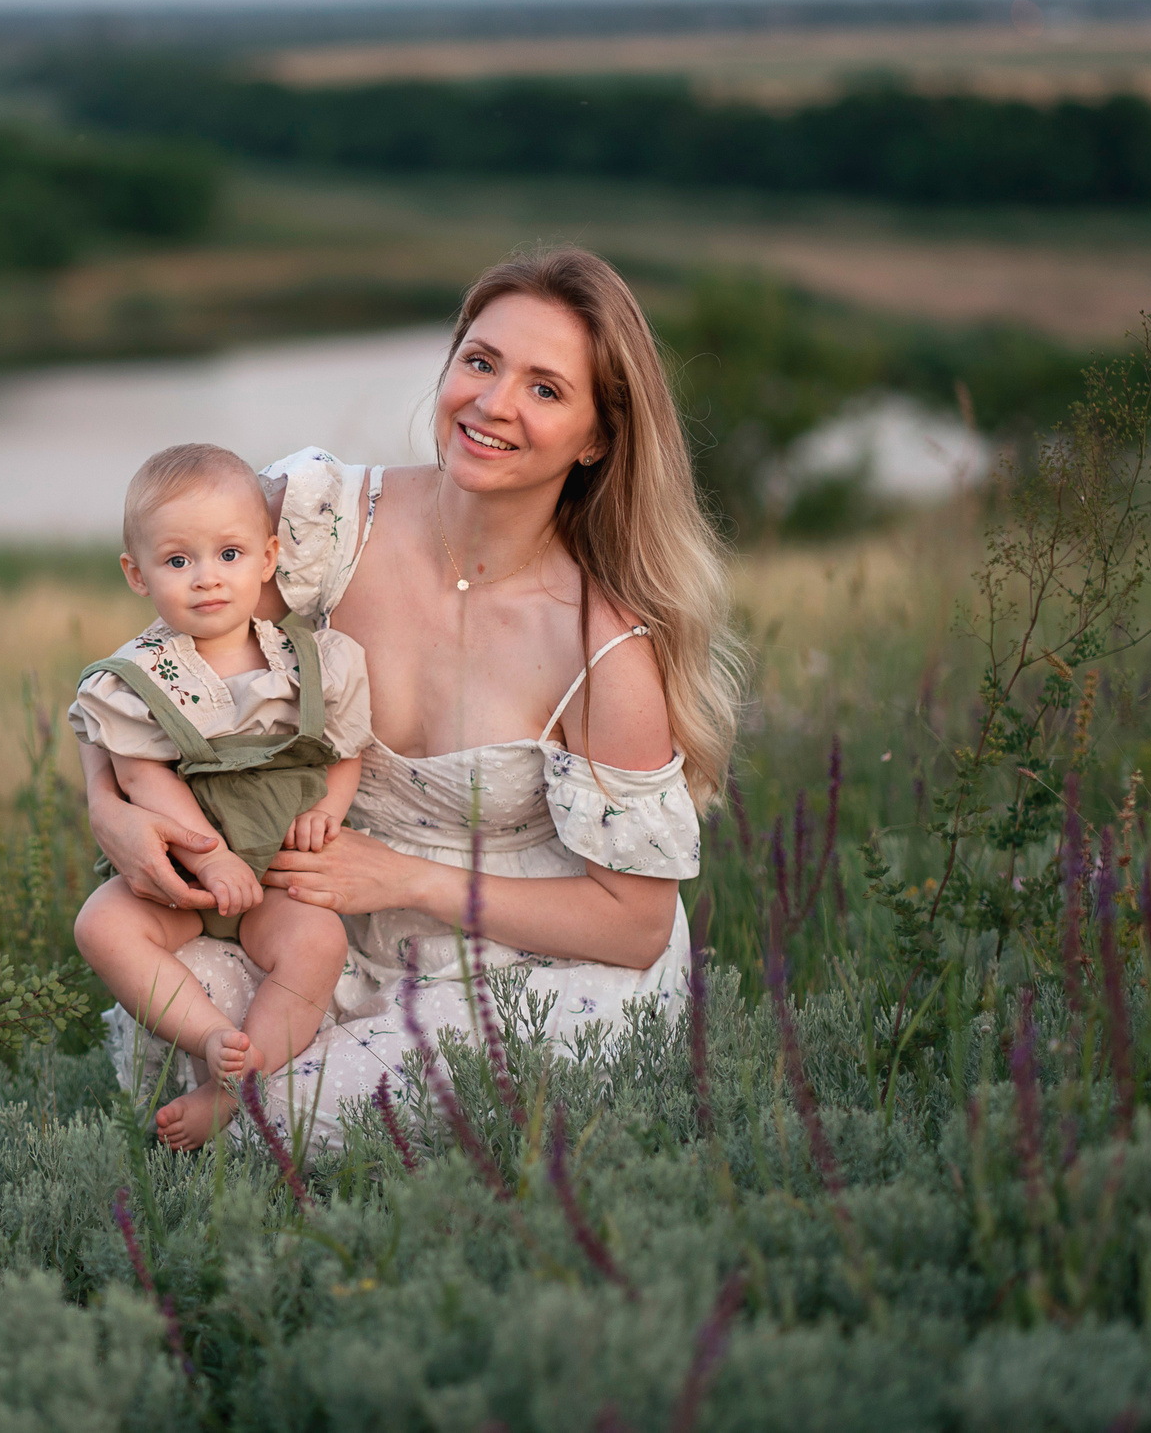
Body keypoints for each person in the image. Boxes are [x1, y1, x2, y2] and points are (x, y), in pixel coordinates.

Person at [79, 249, 741, 1149]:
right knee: (175, 1003)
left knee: (295, 1116)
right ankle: (261, 1097)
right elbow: (160, 658)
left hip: (524, 973)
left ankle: (274, 1121)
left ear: (596, 437)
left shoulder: (602, 648)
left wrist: (407, 879)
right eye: (481, 361)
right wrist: (105, 801)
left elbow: (633, 924)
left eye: (546, 389)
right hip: (319, 931)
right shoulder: (321, 525)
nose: (494, 403)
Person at [69, 444, 376, 1149]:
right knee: (100, 926)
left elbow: (345, 752)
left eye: (229, 554)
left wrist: (325, 812)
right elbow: (144, 778)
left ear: (268, 557)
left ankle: (239, 1083)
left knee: (318, 942)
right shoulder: (137, 680)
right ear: (136, 573)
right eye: (179, 561)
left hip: (274, 883)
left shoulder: (310, 663)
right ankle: (211, 1037)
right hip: (182, 878)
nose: (207, 578)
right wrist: (208, 861)